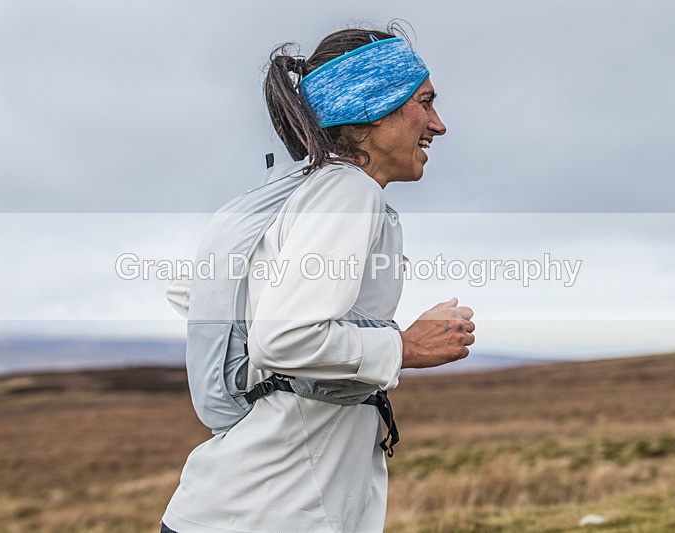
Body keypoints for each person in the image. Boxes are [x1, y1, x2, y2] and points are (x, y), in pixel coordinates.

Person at [161, 24, 475, 533]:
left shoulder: (296, 188)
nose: (438, 125)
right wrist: (406, 346)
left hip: (227, 509)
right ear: (374, 107)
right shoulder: (348, 192)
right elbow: (284, 338)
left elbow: (194, 290)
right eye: (424, 102)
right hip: (279, 515)